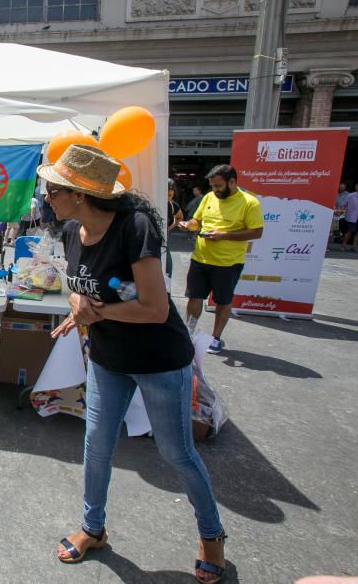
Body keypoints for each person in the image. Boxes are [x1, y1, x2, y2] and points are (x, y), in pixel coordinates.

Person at [39, 145, 226, 584]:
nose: (47, 197)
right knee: (96, 446)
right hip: (107, 358)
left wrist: (94, 312)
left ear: (79, 194)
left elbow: (155, 309)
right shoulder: (71, 231)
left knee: (176, 452)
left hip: (159, 359)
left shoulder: (135, 227)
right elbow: (77, 287)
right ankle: (92, 528)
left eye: (53, 190)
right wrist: (76, 304)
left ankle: (212, 535)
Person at [178, 164, 263, 355]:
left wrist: (223, 235)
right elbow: (197, 222)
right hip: (200, 258)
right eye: (212, 185)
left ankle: (215, 338)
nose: (214, 190)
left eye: (218, 185)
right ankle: (188, 332)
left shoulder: (249, 202)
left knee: (223, 301)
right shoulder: (208, 197)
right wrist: (188, 225)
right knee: (194, 296)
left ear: (232, 182)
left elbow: (257, 232)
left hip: (228, 263)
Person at [165, 178, 184, 281]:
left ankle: (167, 293)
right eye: (165, 194)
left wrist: (170, 227)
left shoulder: (172, 205)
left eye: (170, 195)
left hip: (164, 242)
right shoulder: (151, 201)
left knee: (167, 268)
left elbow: (180, 217)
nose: (167, 198)